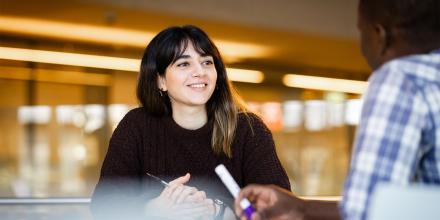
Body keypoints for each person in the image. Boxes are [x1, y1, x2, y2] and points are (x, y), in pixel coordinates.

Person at [234, 0, 440, 219]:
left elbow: (365, 212)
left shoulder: (400, 79)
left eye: (362, 31)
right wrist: (301, 208)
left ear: (380, 36)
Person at [91, 25, 291, 220]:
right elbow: (103, 207)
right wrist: (155, 209)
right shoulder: (136, 126)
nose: (200, 72)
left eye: (206, 62)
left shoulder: (248, 130)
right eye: (184, 64)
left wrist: (216, 211)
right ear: (160, 81)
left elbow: (277, 212)